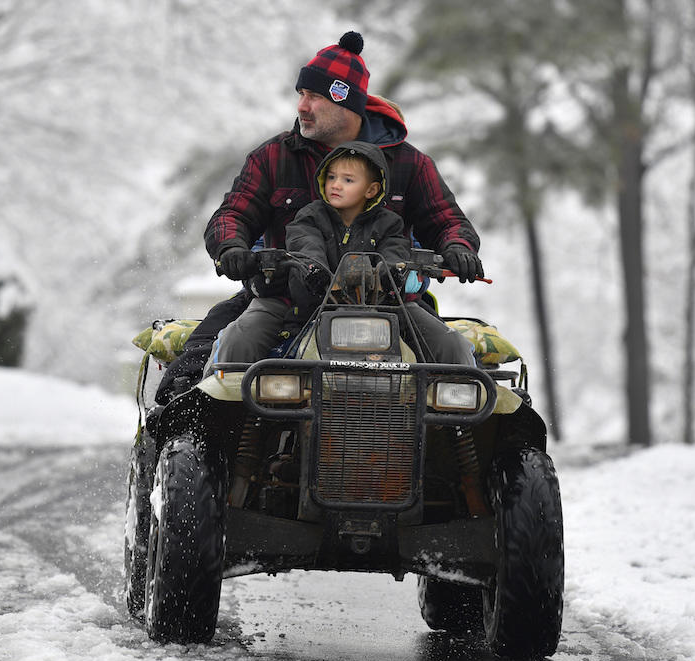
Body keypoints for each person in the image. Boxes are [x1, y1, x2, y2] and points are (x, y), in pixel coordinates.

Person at [156, 30, 483, 402]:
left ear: (346, 103)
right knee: (234, 342)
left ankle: (459, 449)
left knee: (453, 352)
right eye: (301, 95)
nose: (301, 106)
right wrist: (231, 245)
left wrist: (458, 247)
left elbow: (447, 220)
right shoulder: (273, 157)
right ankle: (216, 445)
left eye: (314, 96)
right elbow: (233, 213)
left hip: (391, 305)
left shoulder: (409, 163)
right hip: (285, 299)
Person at [210, 140, 475, 366]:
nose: (336, 185)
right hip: (298, 303)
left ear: (371, 190)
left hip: (384, 308)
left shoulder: (389, 223)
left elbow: (395, 252)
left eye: (348, 180)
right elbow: (305, 247)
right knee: (239, 337)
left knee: (452, 345)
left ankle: (459, 420)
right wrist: (313, 271)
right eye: (332, 177)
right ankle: (218, 414)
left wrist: (392, 273)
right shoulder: (308, 216)